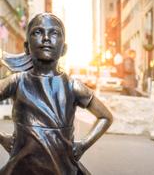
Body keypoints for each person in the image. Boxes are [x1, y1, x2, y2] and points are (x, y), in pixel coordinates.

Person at [0, 13, 113, 175]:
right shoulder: (17, 81)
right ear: (26, 47)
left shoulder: (73, 86)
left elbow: (106, 117)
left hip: (62, 168)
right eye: (38, 32)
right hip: (21, 168)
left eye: (54, 33)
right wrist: (2, 138)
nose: (46, 38)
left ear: (64, 49)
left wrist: (83, 145)